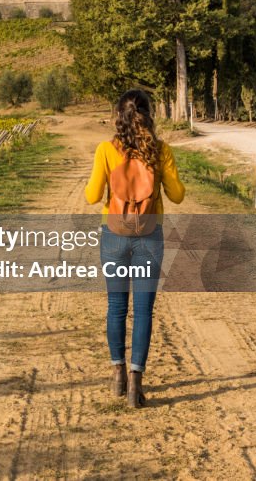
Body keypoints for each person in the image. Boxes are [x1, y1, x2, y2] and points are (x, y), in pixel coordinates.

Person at [84, 89, 185, 407]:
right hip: (150, 236)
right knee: (142, 312)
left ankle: (117, 376)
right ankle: (135, 385)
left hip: (113, 235)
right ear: (149, 115)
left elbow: (90, 196)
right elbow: (178, 195)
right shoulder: (160, 150)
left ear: (118, 116)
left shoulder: (105, 150)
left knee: (116, 308)